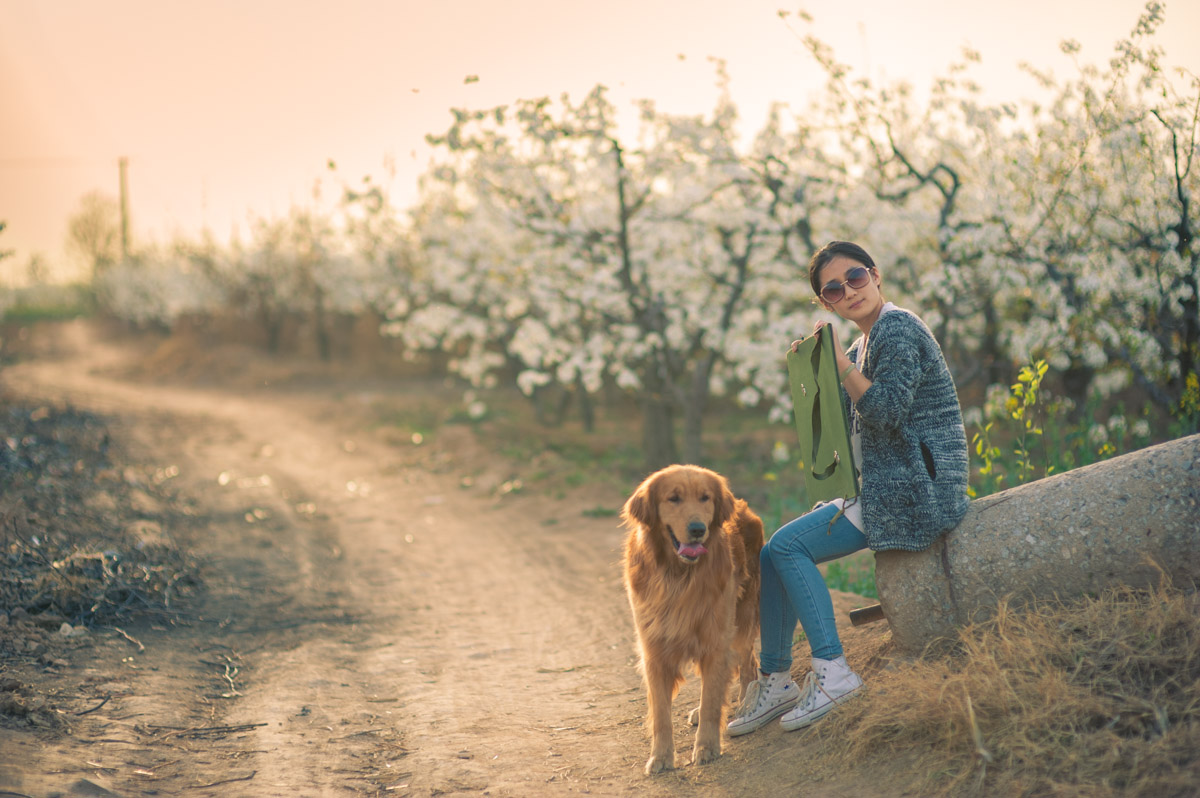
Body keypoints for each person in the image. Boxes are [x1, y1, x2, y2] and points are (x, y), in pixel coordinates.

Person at [727, 241, 969, 736]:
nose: (849, 291)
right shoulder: (862, 344)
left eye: (856, 277)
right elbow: (843, 431)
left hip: (917, 488)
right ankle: (775, 679)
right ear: (826, 303)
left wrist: (837, 365)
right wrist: (812, 372)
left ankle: (834, 673)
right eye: (833, 288)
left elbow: (885, 412)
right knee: (773, 553)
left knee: (788, 546)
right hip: (884, 483)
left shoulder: (898, 328)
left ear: (876, 275)